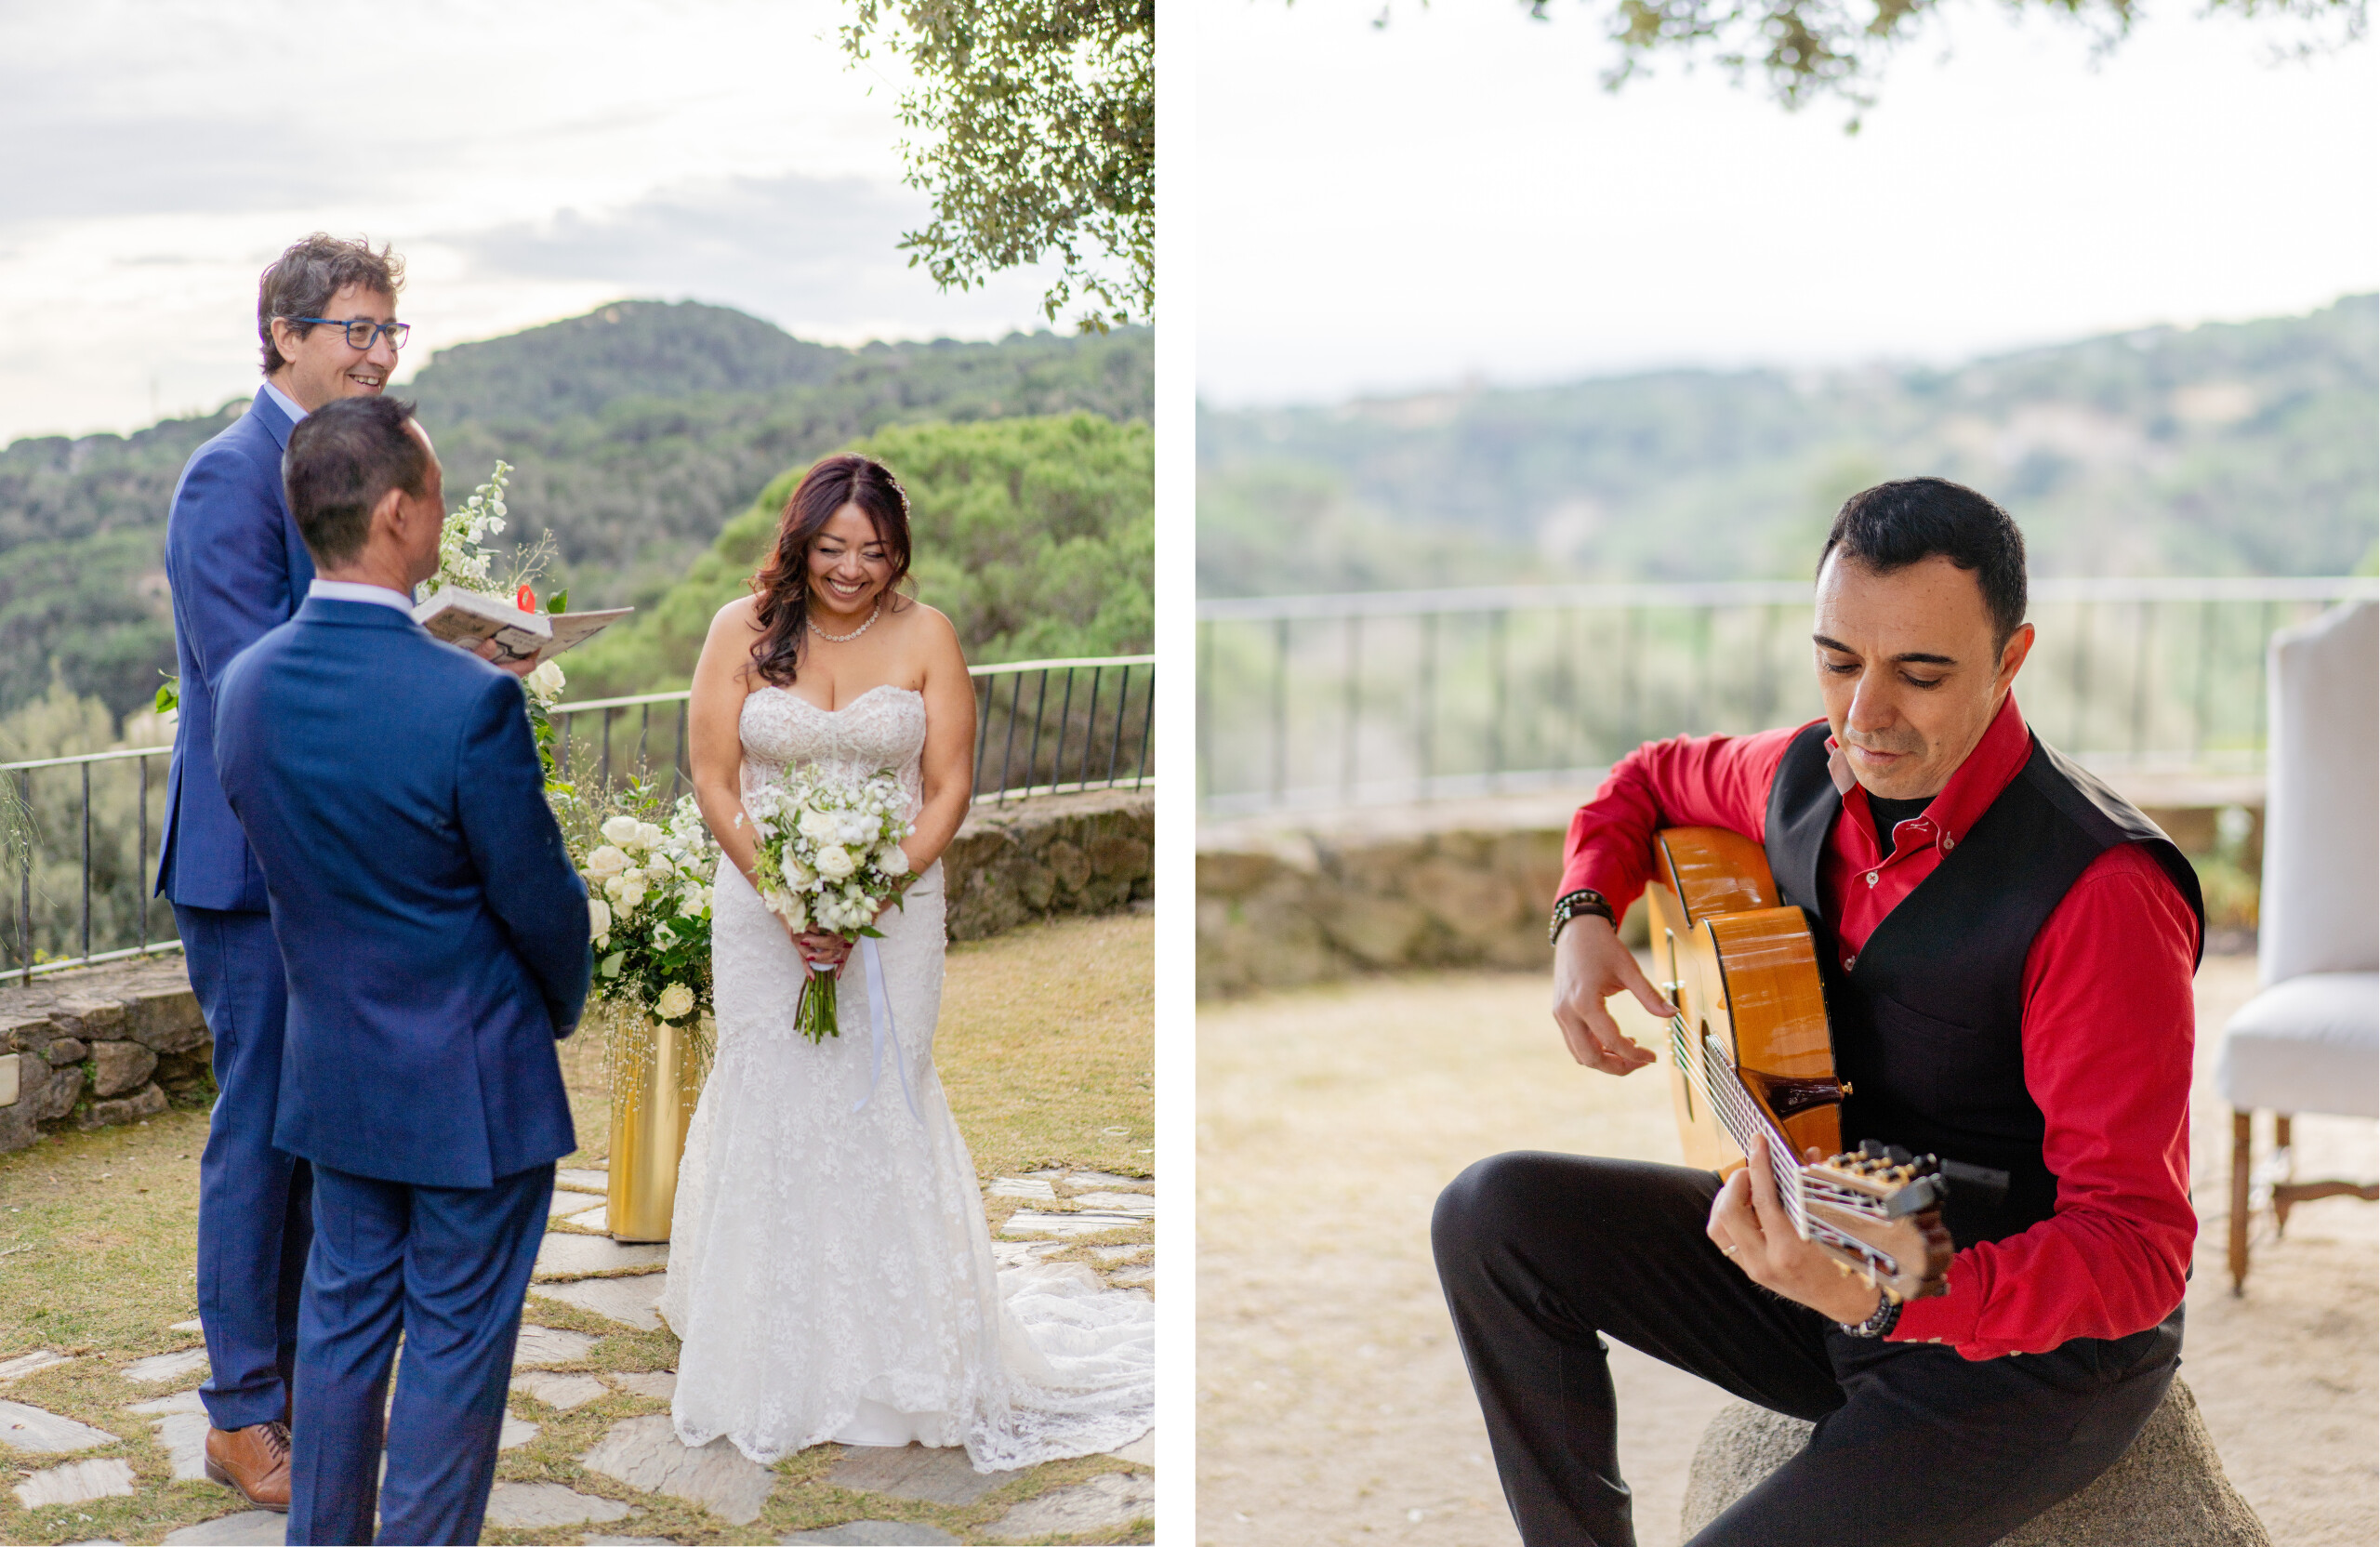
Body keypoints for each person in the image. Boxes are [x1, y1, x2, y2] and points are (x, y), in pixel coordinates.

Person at [1431, 478, 2205, 1547]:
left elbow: (2137, 1248)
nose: (1863, 715)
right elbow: (1646, 779)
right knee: (1491, 1212)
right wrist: (1582, 912)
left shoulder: (2102, 893)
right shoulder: (1802, 772)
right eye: (1838, 661)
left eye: (1919, 673)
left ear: (2011, 658)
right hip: (1824, 1232)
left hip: (2017, 1361)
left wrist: (1882, 1299)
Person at [658, 453, 1155, 1470]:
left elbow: (947, 786)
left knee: (883, 1090)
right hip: (760, 907)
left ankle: (899, 1360)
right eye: (833, 548)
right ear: (800, 541)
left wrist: (868, 889)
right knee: (773, 1092)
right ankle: (769, 1355)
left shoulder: (927, 636)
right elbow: (712, 776)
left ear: (900, 553)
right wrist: (785, 892)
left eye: (873, 552)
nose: (851, 569)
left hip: (895, 903)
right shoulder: (737, 630)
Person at [212, 395, 592, 1545]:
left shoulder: (246, 689)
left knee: (335, 1334)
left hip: (334, 1076)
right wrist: (557, 1005)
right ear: (393, 513)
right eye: (431, 488)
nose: (437, 506)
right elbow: (541, 903)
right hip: (471, 1083)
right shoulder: (470, 701)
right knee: (454, 1354)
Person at [158, 232, 407, 1511]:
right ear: (287, 333)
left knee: (321, 1137)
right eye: (357, 330)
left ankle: (314, 1392)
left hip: (340, 866)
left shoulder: (352, 473)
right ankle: (241, 1414)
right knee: (258, 1135)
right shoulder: (226, 477)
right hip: (249, 869)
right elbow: (250, 681)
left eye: (388, 334)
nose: (375, 353)